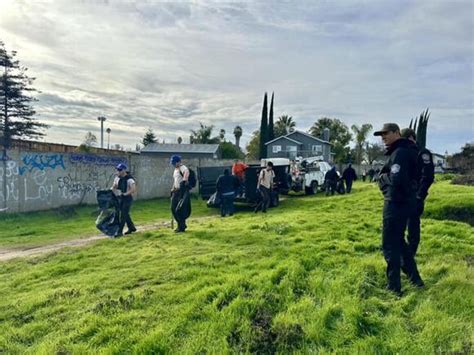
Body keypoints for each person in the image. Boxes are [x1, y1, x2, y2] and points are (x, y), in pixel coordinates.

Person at [374, 123, 424, 296]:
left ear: (397, 133)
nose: (383, 137)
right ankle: (415, 280)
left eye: (386, 133)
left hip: (396, 203)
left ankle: (394, 287)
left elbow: (397, 180)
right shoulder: (406, 150)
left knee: (390, 245)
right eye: (381, 135)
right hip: (405, 202)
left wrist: (383, 180)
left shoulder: (400, 153)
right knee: (401, 244)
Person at [401, 128, 435, 256]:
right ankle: (403, 252)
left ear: (410, 137)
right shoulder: (404, 152)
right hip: (404, 195)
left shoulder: (422, 153)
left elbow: (428, 177)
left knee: (413, 225)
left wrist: (419, 195)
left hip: (416, 195)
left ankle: (411, 252)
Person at [111, 163, 137, 237]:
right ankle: (132, 227)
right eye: (117, 169)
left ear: (124, 170)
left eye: (120, 169)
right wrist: (111, 191)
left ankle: (119, 232)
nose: (118, 171)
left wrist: (126, 193)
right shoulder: (117, 178)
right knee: (125, 214)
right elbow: (114, 186)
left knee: (123, 215)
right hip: (120, 198)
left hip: (127, 198)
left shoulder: (129, 179)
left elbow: (133, 189)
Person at [170, 155, 191, 233]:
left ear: (178, 162)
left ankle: (181, 226)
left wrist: (184, 180)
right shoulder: (176, 170)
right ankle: (181, 225)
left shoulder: (182, 167)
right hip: (175, 190)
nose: (173, 164)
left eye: (174, 163)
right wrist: (172, 188)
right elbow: (175, 180)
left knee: (179, 209)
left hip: (181, 191)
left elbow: (186, 172)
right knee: (173, 208)